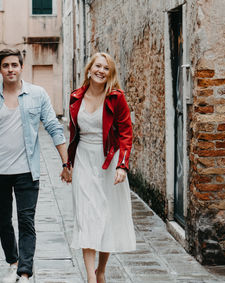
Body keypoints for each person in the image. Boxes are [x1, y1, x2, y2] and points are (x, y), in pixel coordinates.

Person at [0, 48, 72, 283]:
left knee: (26, 221)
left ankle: (24, 273)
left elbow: (54, 127)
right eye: (6, 65)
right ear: (0, 69)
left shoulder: (38, 94)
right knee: (3, 222)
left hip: (26, 171)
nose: (10, 69)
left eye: (14, 65)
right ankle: (13, 262)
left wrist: (66, 162)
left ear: (21, 67)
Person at [67, 52, 136, 283]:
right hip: (84, 161)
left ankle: (101, 271)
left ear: (111, 73)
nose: (101, 71)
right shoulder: (76, 97)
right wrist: (68, 164)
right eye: (97, 66)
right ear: (89, 69)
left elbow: (126, 133)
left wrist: (122, 166)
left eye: (106, 68)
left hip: (109, 160)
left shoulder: (116, 98)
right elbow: (73, 134)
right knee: (86, 216)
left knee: (107, 217)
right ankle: (89, 277)